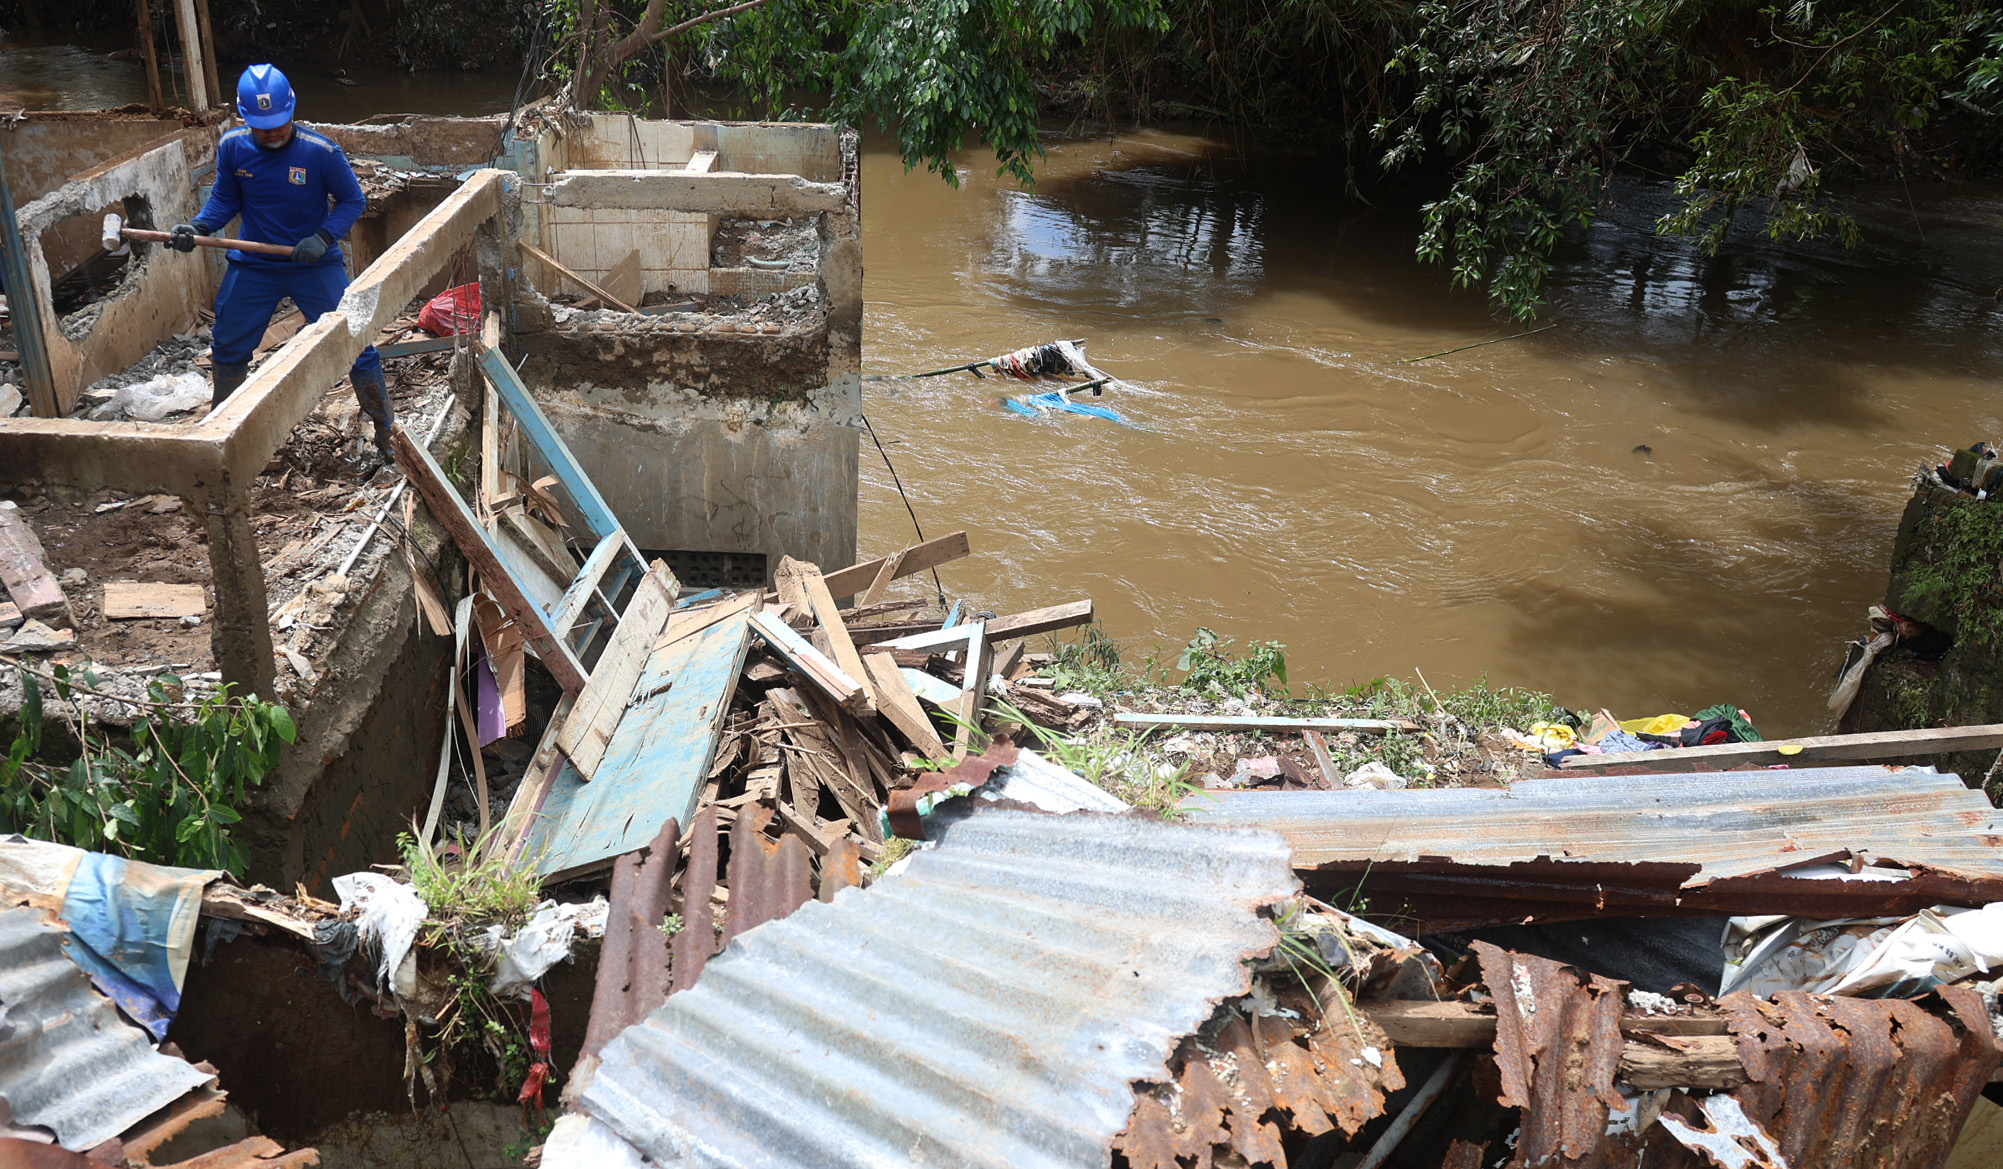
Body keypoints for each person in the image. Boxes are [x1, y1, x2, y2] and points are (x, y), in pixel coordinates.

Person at [170, 63, 393, 466]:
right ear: (244, 117)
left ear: (292, 110)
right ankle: (224, 438)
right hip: (255, 263)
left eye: (279, 123)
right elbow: (225, 199)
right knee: (228, 346)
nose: (272, 132)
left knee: (355, 343)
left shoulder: (320, 152)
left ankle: (386, 434)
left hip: (314, 262)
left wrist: (323, 237)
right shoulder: (233, 147)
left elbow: (353, 201)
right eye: (262, 126)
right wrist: (199, 225)